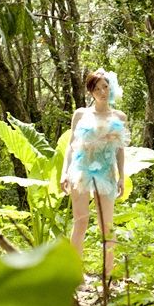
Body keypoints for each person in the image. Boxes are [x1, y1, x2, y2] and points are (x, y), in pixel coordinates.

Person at [61, 68, 128, 277]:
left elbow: (119, 150)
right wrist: (64, 172)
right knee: (80, 221)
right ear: (91, 92)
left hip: (106, 172)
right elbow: (71, 146)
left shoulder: (119, 116)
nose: (102, 92)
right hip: (80, 170)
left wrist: (122, 176)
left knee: (106, 225)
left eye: (105, 87)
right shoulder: (80, 114)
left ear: (111, 88)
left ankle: (108, 274)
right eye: (97, 88)